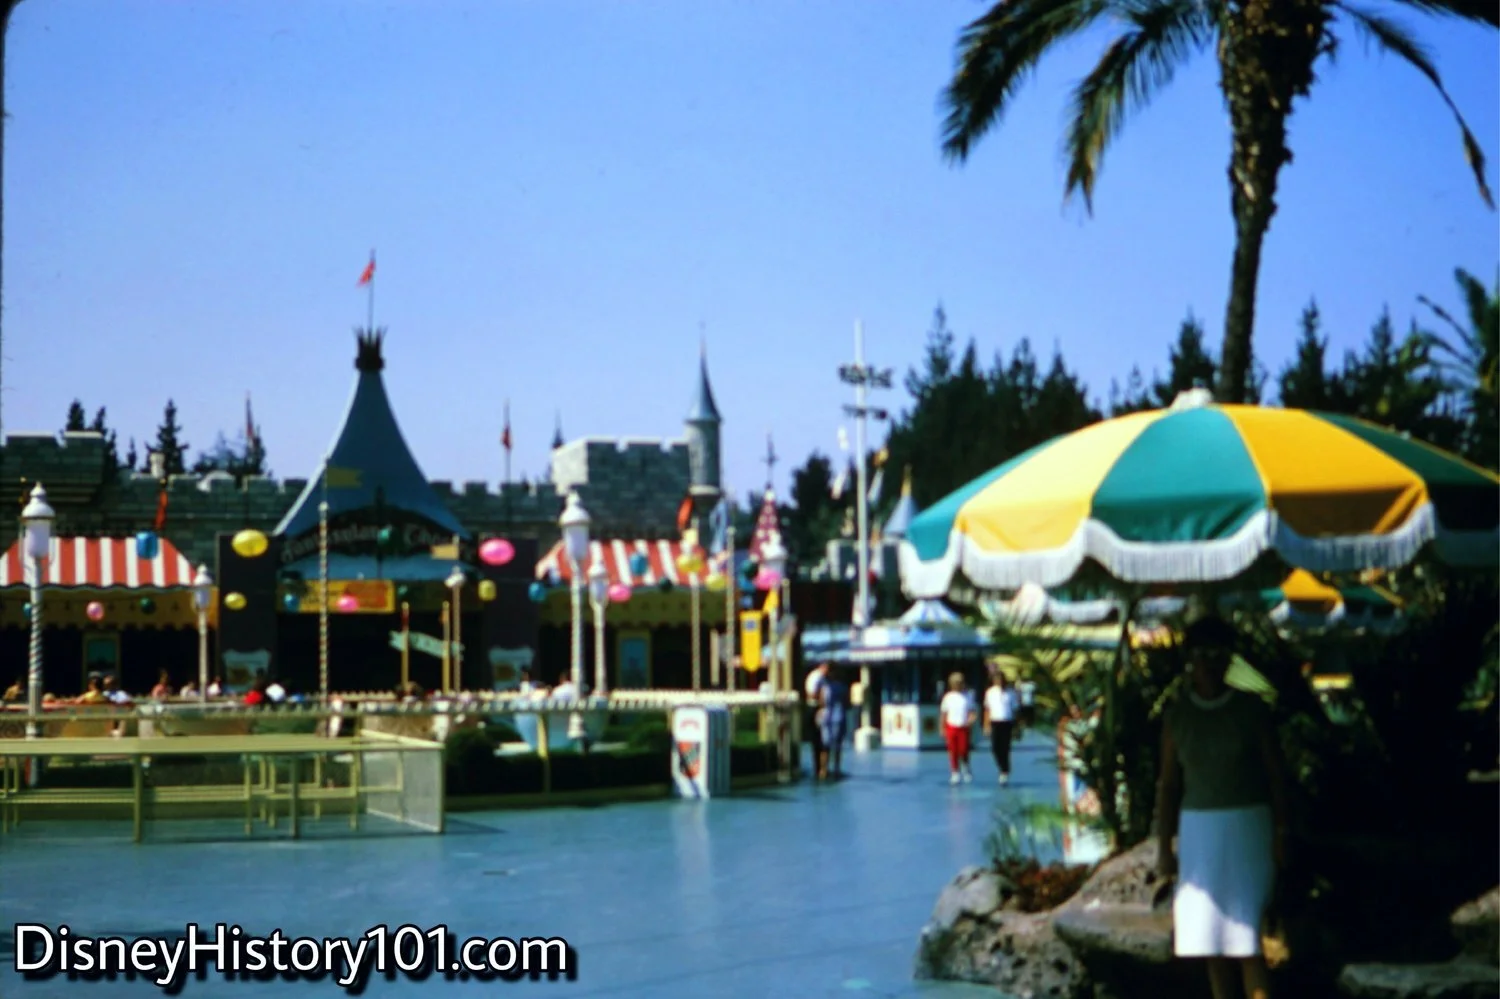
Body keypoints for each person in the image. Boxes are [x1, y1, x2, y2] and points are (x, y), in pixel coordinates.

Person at [1156, 615, 1289, 999]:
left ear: (1230, 660)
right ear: (1189, 660)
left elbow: (1277, 776)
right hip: (1199, 834)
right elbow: (1168, 787)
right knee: (1209, 941)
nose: (1209, 664)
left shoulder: (1251, 710)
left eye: (1218, 655)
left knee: (1247, 938)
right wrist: (1164, 849)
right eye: (1201, 655)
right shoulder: (1178, 715)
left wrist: (1282, 832)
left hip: (1248, 830)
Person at [983, 670, 1020, 786]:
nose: (1000, 682)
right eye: (997, 680)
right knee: (995, 748)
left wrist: (1017, 726)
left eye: (1001, 680)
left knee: (1005, 748)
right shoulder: (990, 692)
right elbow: (987, 709)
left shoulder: (1011, 693)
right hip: (995, 721)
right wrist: (986, 724)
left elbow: (1015, 710)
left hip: (1007, 722)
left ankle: (1004, 771)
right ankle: (1002, 767)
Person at [940, 672, 975, 785]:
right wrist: (942, 728)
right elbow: (944, 714)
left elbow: (972, 711)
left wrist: (971, 719)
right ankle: (955, 772)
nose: (957, 685)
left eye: (959, 683)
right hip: (951, 726)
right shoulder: (948, 697)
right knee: (953, 751)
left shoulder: (967, 696)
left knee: (963, 749)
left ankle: (965, 767)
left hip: (963, 726)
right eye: (955, 683)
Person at [817, 667, 851, 780]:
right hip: (839, 717)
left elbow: (821, 702)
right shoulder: (843, 687)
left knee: (825, 746)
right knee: (838, 746)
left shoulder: (825, 688)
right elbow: (847, 703)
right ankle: (836, 769)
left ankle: (823, 770)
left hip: (826, 717)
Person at [805, 662, 829, 774]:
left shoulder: (823, 678)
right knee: (817, 739)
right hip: (814, 708)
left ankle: (822, 767)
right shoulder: (816, 677)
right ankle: (818, 767)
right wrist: (822, 699)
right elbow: (812, 693)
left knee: (823, 740)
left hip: (820, 708)